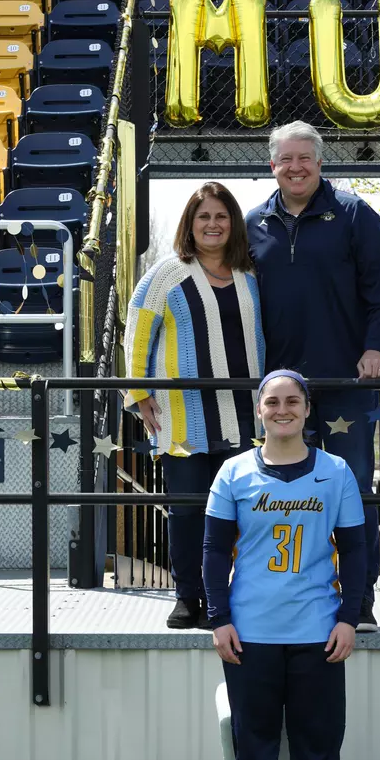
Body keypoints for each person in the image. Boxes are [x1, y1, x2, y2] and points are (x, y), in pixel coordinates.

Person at [204, 370, 366, 760]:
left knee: (319, 740)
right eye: (272, 402)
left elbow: (357, 550)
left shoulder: (336, 471)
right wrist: (218, 618)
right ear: (259, 410)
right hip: (251, 631)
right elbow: (211, 551)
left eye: (292, 401)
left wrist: (348, 618)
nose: (282, 410)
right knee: (254, 743)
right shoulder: (233, 473)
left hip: (317, 631)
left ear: (307, 408)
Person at [245, 121, 380, 632]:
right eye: (285, 159)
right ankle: (284, 600)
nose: (295, 168)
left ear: (320, 162)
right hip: (277, 394)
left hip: (344, 389)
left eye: (304, 158)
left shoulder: (355, 215)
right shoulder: (251, 225)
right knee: (274, 499)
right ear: (272, 165)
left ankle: (358, 602)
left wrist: (375, 348)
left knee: (350, 492)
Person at [124, 181, 265, 629]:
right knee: (187, 511)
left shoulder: (252, 275)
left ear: (233, 224)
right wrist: (140, 392)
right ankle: (189, 597)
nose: (212, 224)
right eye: (203, 216)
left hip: (245, 415)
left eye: (221, 216)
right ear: (190, 223)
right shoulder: (168, 273)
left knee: (240, 513)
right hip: (183, 416)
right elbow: (138, 328)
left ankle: (233, 598)